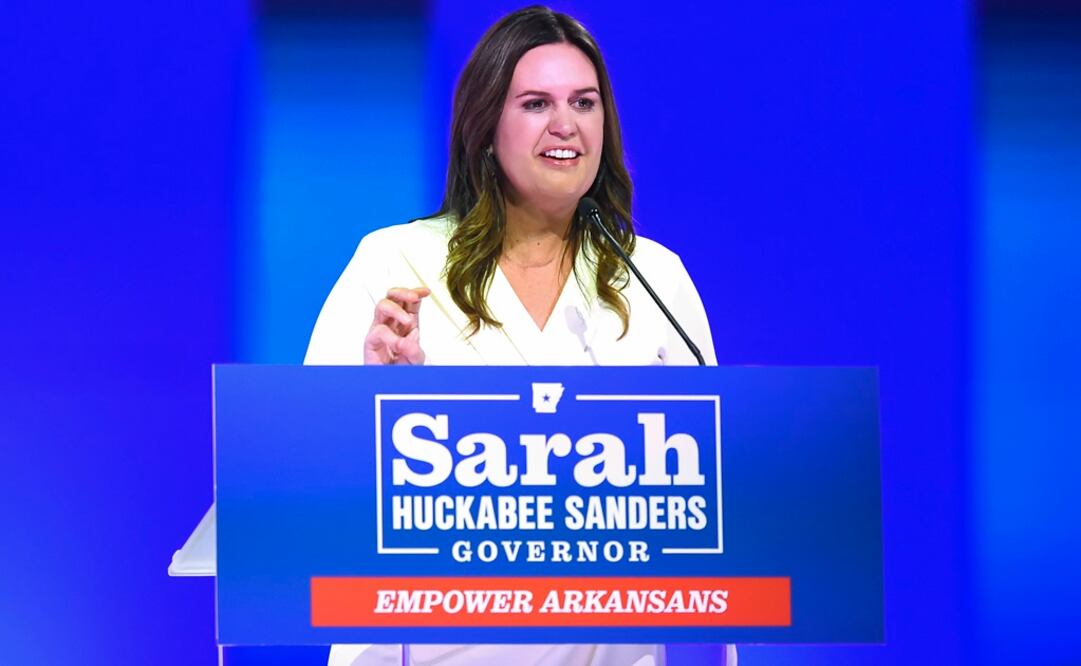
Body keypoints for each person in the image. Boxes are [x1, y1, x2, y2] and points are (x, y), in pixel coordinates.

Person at [306, 5, 733, 665]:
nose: (565, 125)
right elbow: (302, 479)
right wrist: (374, 394)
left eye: (583, 103)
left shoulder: (652, 278)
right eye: (535, 103)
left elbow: (722, 483)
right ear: (486, 126)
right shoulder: (396, 264)